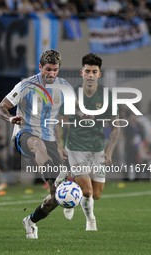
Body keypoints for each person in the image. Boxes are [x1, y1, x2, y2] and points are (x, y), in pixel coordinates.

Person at [0, 49, 81, 239]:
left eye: (55, 70)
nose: (51, 74)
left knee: (55, 197)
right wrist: (10, 119)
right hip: (25, 134)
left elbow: (74, 106)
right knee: (37, 145)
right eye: (48, 69)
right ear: (40, 67)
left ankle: (31, 221)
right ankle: (58, 177)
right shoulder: (26, 85)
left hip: (49, 137)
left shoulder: (63, 86)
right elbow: (0, 108)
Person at [58, 53, 120, 230]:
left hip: (97, 149)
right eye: (87, 71)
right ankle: (90, 219)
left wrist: (108, 152)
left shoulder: (107, 96)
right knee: (87, 192)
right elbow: (59, 120)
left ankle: (67, 183)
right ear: (81, 73)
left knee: (97, 194)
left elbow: (116, 126)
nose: (90, 74)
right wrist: (59, 144)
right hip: (76, 147)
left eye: (94, 71)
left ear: (99, 74)